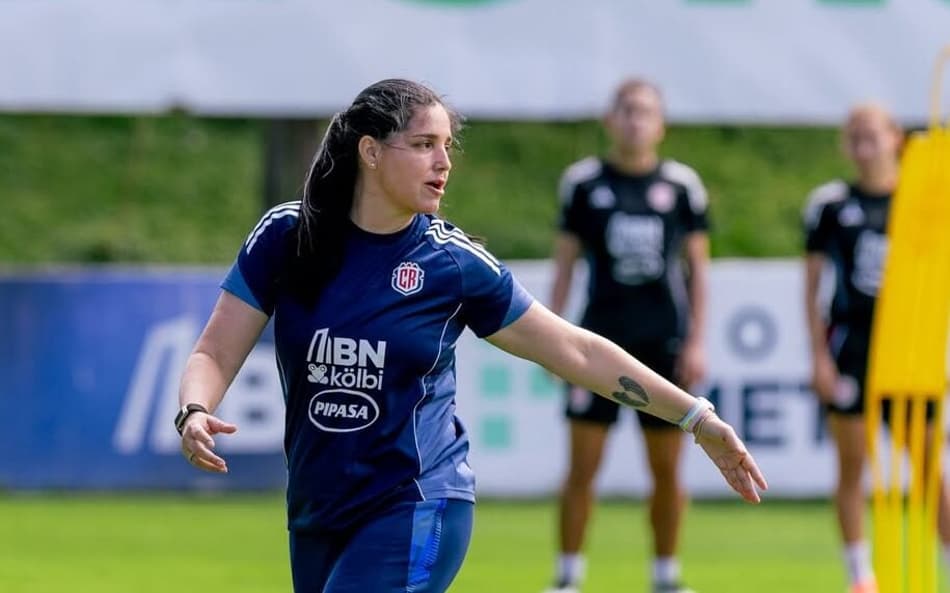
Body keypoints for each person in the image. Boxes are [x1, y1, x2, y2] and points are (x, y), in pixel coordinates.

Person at [175, 78, 766, 593]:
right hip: (316, 507)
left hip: (418, 502)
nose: (444, 162)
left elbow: (574, 348)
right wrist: (194, 409)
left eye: (447, 147)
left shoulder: (451, 263)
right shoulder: (288, 236)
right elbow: (214, 350)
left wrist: (696, 418)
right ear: (370, 152)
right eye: (424, 145)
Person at [543, 79, 710, 593]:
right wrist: (552, 338)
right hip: (597, 345)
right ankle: (568, 576)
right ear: (610, 120)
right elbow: (566, 265)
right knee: (582, 469)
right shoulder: (584, 184)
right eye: (626, 111)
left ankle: (665, 575)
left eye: (645, 111)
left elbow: (698, 272)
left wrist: (696, 342)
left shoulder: (682, 186)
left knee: (665, 470)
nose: (635, 120)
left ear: (660, 124)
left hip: (663, 344)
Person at [803, 104, 950, 593]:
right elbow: (812, 287)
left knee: (929, 469)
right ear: (846, 145)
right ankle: (860, 573)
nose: (865, 145)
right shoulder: (830, 204)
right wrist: (819, 358)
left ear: (895, 139)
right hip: (852, 347)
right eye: (855, 136)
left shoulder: (924, 198)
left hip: (908, 348)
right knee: (852, 464)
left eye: (874, 135)